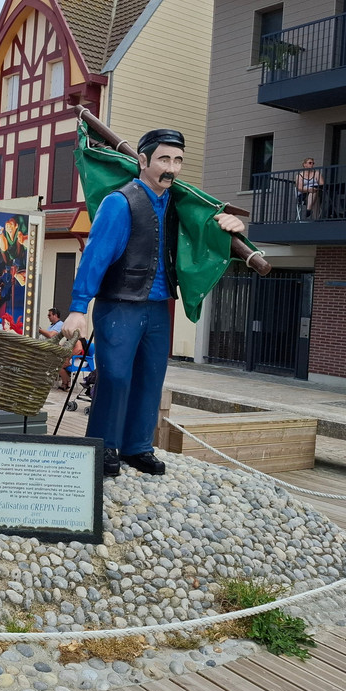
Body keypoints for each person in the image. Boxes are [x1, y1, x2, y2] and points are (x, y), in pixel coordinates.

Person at [62, 129, 244, 478]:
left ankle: (138, 446)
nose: (171, 167)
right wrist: (78, 307)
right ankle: (103, 446)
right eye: (164, 158)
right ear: (143, 161)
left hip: (160, 305)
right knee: (114, 377)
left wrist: (229, 223)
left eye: (177, 160)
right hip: (119, 304)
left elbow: (206, 230)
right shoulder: (120, 202)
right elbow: (95, 258)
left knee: (150, 378)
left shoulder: (179, 202)